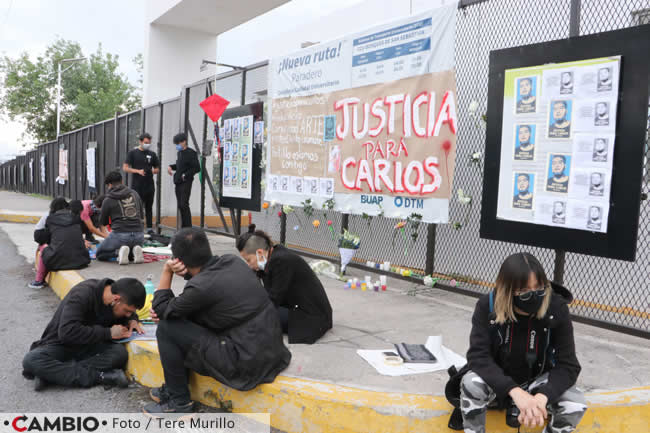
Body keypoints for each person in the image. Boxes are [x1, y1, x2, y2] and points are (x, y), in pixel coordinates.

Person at [144, 228, 291, 415]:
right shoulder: (233, 261)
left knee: (167, 328)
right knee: (181, 317)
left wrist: (167, 271)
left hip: (247, 363)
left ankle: (178, 402)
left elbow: (160, 308)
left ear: (179, 261)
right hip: (271, 352)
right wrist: (168, 308)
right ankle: (172, 388)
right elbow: (183, 302)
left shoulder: (200, 287)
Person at [460, 253, 586, 433]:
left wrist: (543, 396)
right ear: (508, 291)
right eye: (524, 291)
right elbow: (478, 357)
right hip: (499, 380)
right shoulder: (487, 307)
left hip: (538, 380)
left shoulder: (556, 308)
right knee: (471, 383)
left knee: (575, 403)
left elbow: (569, 365)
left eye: (539, 288)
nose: (534, 296)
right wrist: (514, 391)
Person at [22, 278, 146, 391]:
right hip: (62, 344)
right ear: (116, 299)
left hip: (89, 347)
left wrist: (132, 320)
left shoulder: (118, 298)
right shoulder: (82, 294)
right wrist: (108, 333)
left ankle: (52, 374)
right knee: (31, 360)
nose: (128, 314)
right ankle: (100, 377)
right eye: (127, 311)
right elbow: (67, 332)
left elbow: (128, 311)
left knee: (119, 354)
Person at [237, 225, 333, 344]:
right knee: (253, 309)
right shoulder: (273, 256)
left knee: (257, 315)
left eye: (248, 260)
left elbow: (273, 300)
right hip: (299, 308)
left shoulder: (281, 261)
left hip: (312, 317)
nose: (249, 265)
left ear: (260, 253)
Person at [29, 197, 91, 289]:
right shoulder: (75, 217)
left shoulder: (50, 218)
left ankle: (39, 281)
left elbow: (41, 237)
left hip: (59, 261)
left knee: (43, 247)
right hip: (81, 261)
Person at [95, 171, 145, 265]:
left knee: (100, 254)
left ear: (109, 185)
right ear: (122, 181)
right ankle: (133, 251)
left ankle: (119, 252)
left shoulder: (108, 199)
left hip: (120, 235)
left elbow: (103, 222)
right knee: (130, 245)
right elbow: (142, 216)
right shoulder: (135, 193)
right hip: (139, 235)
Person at [123, 133, 160, 233]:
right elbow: (125, 168)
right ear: (140, 142)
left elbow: (157, 168)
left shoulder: (152, 154)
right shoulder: (132, 153)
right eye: (145, 143)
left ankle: (149, 228)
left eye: (149, 143)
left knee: (149, 207)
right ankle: (137, 227)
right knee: (137, 206)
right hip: (137, 185)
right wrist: (137, 171)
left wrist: (151, 171)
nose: (147, 144)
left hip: (149, 185)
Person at [167, 133, 200, 228]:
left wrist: (185, 175)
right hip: (178, 182)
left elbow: (197, 168)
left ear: (184, 142)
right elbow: (179, 166)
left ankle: (188, 227)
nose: (177, 145)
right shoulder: (180, 153)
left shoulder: (191, 153)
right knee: (180, 206)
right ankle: (184, 228)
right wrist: (171, 166)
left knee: (184, 204)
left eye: (178, 143)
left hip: (186, 181)